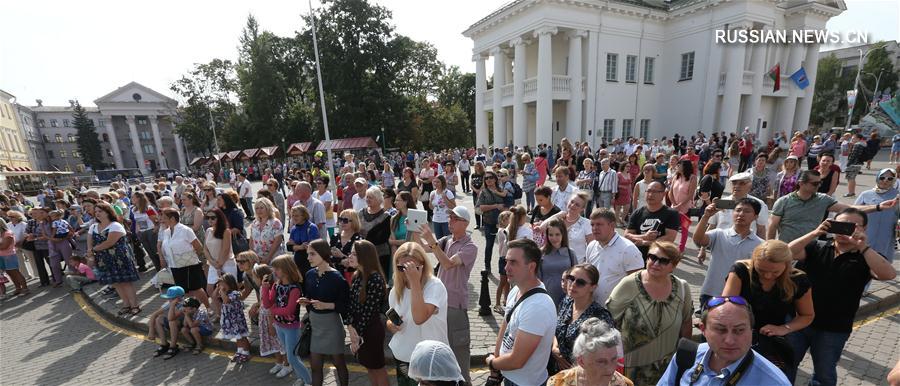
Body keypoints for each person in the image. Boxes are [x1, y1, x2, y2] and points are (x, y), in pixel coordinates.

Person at [788, 209, 897, 386]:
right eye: (840, 226)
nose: (844, 231)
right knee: (785, 366)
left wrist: (862, 247)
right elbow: (787, 252)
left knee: (824, 375)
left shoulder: (866, 256)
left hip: (834, 328)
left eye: (852, 227)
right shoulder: (817, 246)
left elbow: (888, 274)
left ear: (864, 228)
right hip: (799, 321)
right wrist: (815, 233)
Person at [722, 240, 814, 381]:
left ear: (787, 265)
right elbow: (727, 307)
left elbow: (807, 315)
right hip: (739, 336)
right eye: (761, 270)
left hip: (774, 341)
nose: (768, 276)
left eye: (775, 272)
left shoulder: (798, 280)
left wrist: (784, 328)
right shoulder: (741, 270)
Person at [606, 241, 692, 385]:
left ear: (674, 266)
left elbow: (686, 322)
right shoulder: (629, 284)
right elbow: (607, 320)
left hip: (667, 368)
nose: (656, 263)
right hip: (630, 368)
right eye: (652, 257)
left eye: (663, 261)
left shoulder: (682, 288)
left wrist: (686, 356)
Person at [656, 296, 791, 385]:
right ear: (703, 330)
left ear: (751, 331)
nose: (730, 340)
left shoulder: (774, 382)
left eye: (739, 330)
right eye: (720, 330)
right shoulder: (686, 355)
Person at [416, 206, 477, 384]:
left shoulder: (470, 246)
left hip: (455, 306)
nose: (450, 220)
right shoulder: (446, 240)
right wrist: (415, 228)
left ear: (465, 223)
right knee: (443, 347)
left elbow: (448, 263)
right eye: (450, 217)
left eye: (454, 218)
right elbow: (421, 248)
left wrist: (432, 241)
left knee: (459, 352)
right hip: (440, 304)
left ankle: (465, 382)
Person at [485, 239, 556, 386]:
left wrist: (493, 363)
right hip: (508, 376)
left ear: (531, 267)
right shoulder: (516, 290)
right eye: (506, 261)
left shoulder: (538, 306)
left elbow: (517, 361)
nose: (506, 268)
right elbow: (505, 328)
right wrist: (497, 362)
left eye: (513, 263)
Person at [768, 170, 893, 242]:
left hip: (812, 248)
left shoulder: (823, 199)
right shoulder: (784, 201)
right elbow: (772, 226)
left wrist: (878, 207)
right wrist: (770, 245)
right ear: (801, 183)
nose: (819, 186)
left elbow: (849, 209)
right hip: (787, 247)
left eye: (820, 183)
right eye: (815, 183)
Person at [387, 242, 448, 386]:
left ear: (423, 265)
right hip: (403, 355)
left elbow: (419, 318)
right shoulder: (396, 289)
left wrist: (415, 282)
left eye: (413, 268)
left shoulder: (434, 286)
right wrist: (391, 324)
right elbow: (394, 315)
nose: (407, 272)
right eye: (402, 268)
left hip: (429, 359)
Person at [693, 198, 763, 309]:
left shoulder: (760, 244)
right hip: (712, 293)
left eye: (747, 211)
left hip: (740, 298)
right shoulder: (719, 234)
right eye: (738, 210)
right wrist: (706, 216)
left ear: (756, 216)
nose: (741, 214)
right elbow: (698, 239)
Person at [550, 264, 617, 375]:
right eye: (571, 278)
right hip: (557, 372)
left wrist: (575, 368)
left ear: (593, 287)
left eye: (580, 282)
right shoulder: (566, 301)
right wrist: (555, 348)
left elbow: (604, 356)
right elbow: (556, 328)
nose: (573, 284)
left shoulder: (600, 317)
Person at [300, 239, 350, 386]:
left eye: (312, 254)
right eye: (308, 254)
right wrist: (306, 302)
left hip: (332, 326)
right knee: (315, 366)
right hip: (316, 326)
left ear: (323, 254)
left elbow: (345, 306)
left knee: (339, 363)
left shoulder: (337, 278)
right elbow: (309, 297)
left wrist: (327, 305)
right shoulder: (309, 274)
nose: (308, 257)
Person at [261, 255, 313, 386]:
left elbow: (289, 310)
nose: (274, 272)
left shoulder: (295, 289)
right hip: (279, 325)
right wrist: (265, 288)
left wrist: (273, 311)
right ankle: (301, 377)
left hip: (291, 328)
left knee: (292, 357)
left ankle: (308, 381)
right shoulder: (277, 286)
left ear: (285, 269)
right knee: (293, 356)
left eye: (276, 269)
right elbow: (267, 304)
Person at [346, 240, 390, 386]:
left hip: (370, 331)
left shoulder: (376, 279)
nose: (350, 256)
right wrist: (351, 329)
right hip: (360, 331)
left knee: (378, 368)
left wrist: (356, 337)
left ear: (364, 256)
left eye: (354, 254)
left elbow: (368, 313)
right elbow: (351, 306)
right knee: (369, 368)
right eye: (350, 253)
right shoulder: (357, 275)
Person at [88, 203, 140, 316]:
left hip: (119, 258)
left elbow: (109, 242)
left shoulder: (115, 225)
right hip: (104, 259)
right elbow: (89, 241)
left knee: (126, 283)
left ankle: (135, 306)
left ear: (108, 212)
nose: (97, 214)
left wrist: (93, 249)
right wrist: (90, 251)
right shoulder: (93, 226)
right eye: (96, 211)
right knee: (116, 283)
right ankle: (126, 305)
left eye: (100, 211)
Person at [584, 208, 644, 305]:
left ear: (612, 225)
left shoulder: (628, 249)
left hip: (617, 311)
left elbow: (637, 285)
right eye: (592, 224)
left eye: (599, 224)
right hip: (592, 307)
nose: (594, 228)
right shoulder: (591, 246)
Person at [548, 318, 632, 386]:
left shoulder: (624, 384)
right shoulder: (558, 383)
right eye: (601, 362)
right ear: (581, 361)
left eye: (614, 359)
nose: (610, 369)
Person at [157, 208, 209, 308]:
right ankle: (193, 310)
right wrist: (163, 259)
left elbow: (198, 247)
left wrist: (191, 258)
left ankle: (208, 307)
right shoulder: (166, 232)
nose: (161, 220)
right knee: (184, 290)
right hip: (174, 266)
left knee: (196, 289)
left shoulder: (185, 230)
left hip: (190, 265)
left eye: (163, 218)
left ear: (172, 218)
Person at [854, 168, 900, 262]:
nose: (885, 180)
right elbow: (854, 211)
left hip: (887, 232)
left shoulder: (897, 196)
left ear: (894, 180)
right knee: (862, 257)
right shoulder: (866, 194)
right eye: (882, 177)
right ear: (877, 178)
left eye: (890, 179)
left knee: (882, 257)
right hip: (867, 230)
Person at [625, 181, 680, 259]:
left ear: (663, 194)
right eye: (648, 191)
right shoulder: (637, 213)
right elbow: (627, 235)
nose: (650, 195)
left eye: (655, 192)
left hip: (659, 259)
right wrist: (644, 236)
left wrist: (645, 243)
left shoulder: (671, 213)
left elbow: (669, 238)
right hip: (637, 257)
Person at [541, 192, 593, 262]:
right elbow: (542, 228)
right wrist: (558, 215)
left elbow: (591, 247)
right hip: (554, 261)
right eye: (572, 202)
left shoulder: (587, 223)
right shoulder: (558, 219)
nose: (572, 205)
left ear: (582, 209)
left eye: (577, 205)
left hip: (576, 264)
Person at [203, 208, 235, 319]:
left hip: (227, 263)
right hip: (213, 264)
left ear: (219, 218)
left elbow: (225, 250)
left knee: (228, 290)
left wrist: (219, 265)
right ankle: (220, 314)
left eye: (213, 217)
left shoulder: (226, 231)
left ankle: (231, 314)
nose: (210, 220)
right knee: (210, 290)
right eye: (208, 218)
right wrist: (213, 263)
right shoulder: (208, 231)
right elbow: (205, 249)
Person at [539, 218, 578, 308]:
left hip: (566, 299)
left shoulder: (570, 253)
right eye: (550, 235)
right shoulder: (541, 253)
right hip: (546, 297)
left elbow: (576, 277)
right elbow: (537, 278)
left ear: (563, 234)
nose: (554, 238)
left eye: (557, 234)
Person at [358, 186, 392, 283]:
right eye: (367, 197)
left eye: (371, 197)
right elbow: (357, 230)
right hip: (362, 252)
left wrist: (365, 240)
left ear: (378, 199)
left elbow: (383, 237)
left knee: (379, 280)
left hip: (380, 254)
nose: (368, 199)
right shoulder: (361, 213)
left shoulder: (386, 216)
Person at [216, 273, 252, 363]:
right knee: (237, 337)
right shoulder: (226, 293)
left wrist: (222, 292)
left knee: (242, 337)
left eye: (224, 284)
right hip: (231, 320)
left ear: (230, 284)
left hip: (237, 320)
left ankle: (246, 352)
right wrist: (220, 290)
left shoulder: (235, 294)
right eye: (221, 284)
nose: (222, 287)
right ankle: (239, 351)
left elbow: (226, 301)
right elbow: (215, 297)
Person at [476, 170, 506, 273]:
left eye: (490, 177)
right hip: (489, 222)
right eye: (486, 178)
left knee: (505, 245)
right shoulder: (483, 192)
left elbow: (509, 203)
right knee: (489, 245)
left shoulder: (501, 190)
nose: (488, 180)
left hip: (503, 223)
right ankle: (487, 266)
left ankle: (505, 268)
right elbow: (481, 207)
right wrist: (496, 206)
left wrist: (505, 208)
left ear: (495, 179)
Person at [0, 218, 27, 295]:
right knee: (10, 273)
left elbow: (4, 246)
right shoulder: (1, 233)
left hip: (9, 256)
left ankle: (25, 289)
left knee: (15, 272)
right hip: (2, 256)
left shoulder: (7, 233)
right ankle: (18, 288)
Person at [429, 175, 456, 240]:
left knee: (448, 241)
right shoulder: (432, 193)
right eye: (435, 182)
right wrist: (430, 200)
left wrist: (445, 198)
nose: (436, 184)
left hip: (446, 221)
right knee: (439, 241)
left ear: (442, 182)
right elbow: (431, 208)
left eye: (438, 182)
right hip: (436, 220)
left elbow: (454, 207)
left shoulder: (448, 193)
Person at [613, 161, 633, 226]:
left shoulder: (629, 174)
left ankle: (623, 219)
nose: (628, 168)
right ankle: (617, 221)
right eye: (627, 166)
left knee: (627, 207)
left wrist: (631, 194)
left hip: (626, 193)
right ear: (623, 166)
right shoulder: (618, 174)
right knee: (617, 208)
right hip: (619, 193)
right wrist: (622, 186)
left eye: (629, 166)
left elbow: (629, 185)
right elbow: (615, 184)